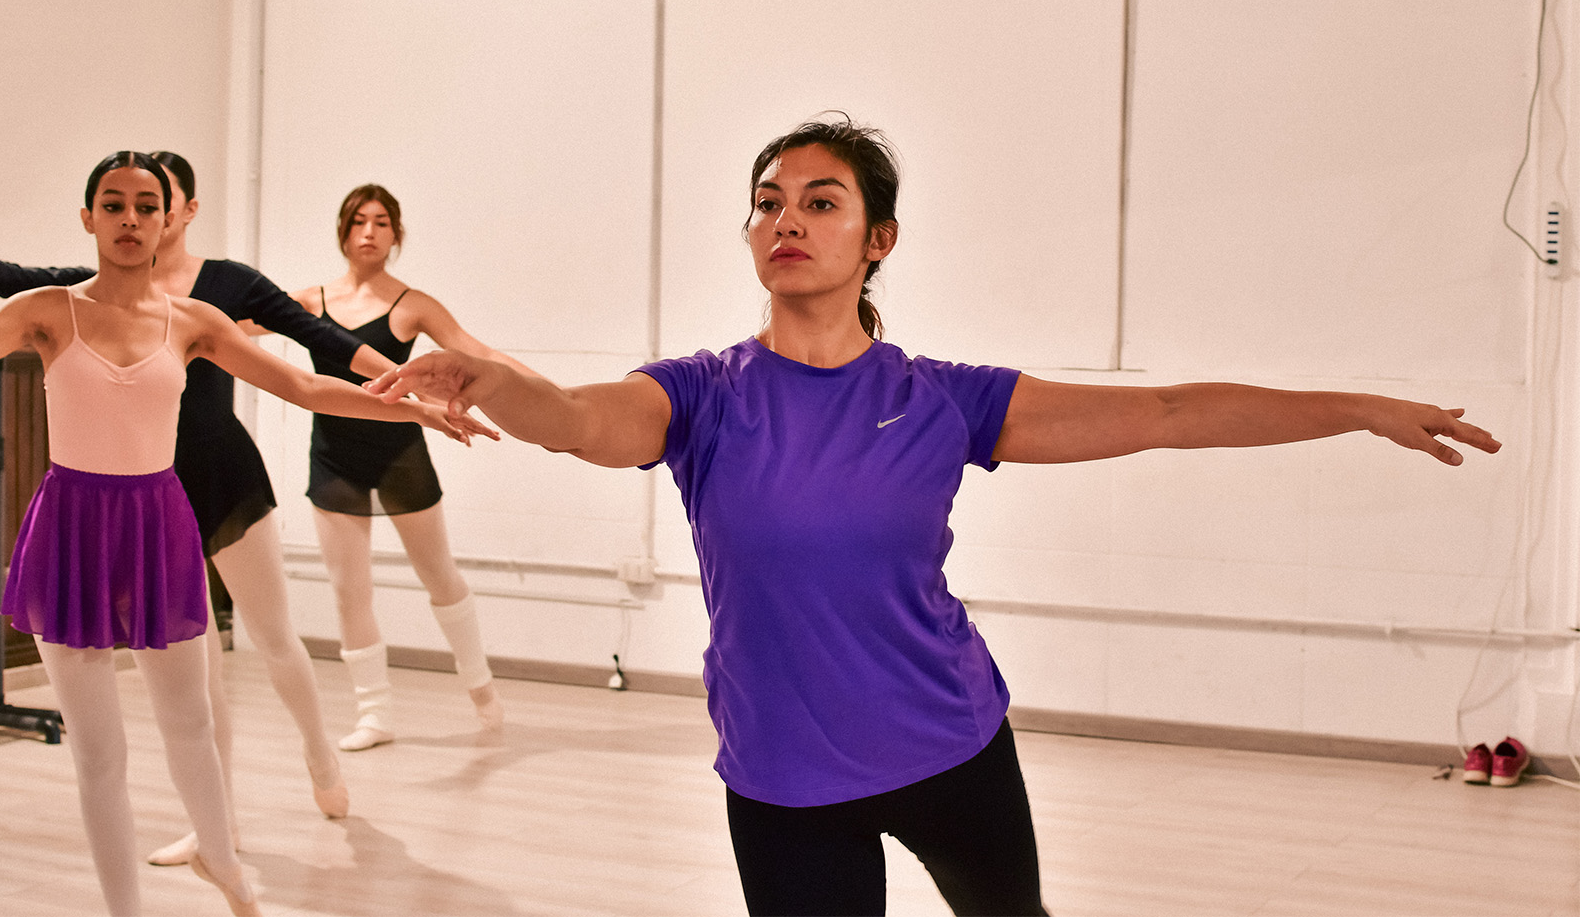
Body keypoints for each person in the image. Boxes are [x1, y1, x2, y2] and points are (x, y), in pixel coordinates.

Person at [366, 114, 1503, 917]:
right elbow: (576, 419)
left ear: (879, 240)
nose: (786, 220)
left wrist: (1357, 408)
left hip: (947, 743)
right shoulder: (702, 395)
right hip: (783, 771)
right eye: (768, 203)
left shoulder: (943, 399)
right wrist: (489, 376)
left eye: (821, 202)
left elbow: (1163, 412)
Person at [0, 152, 489, 916]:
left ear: (168, 220)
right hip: (70, 532)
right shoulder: (47, 310)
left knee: (189, 723)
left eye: (145, 206)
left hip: (158, 525)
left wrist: (411, 407)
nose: (129, 220)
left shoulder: (193, 321)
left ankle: (224, 866)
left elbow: (304, 384)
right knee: (99, 753)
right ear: (88, 218)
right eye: (113, 205)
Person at [278, 184, 536, 751]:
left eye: (381, 222)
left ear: (396, 234)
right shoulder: (308, 302)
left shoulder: (412, 304)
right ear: (343, 230)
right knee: (349, 591)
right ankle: (374, 715)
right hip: (333, 458)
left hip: (400, 454)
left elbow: (474, 349)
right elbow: (232, 320)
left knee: (438, 574)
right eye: (358, 221)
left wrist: (541, 386)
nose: (369, 232)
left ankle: (480, 686)